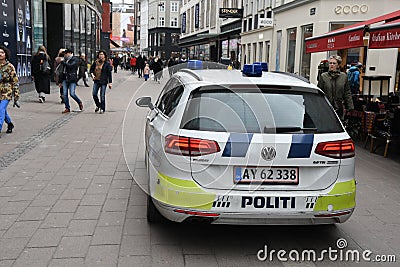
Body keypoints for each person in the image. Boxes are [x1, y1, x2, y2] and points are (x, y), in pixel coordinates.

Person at [0, 46, 20, 137]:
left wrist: (16, 96)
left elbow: (15, 81)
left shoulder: (9, 66)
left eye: (2, 52)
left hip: (6, 91)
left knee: (1, 109)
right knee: (3, 111)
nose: (0, 54)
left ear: (6, 54)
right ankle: (9, 123)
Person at [59, 48, 83, 113]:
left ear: (70, 53)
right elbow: (62, 71)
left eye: (66, 53)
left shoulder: (75, 59)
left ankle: (79, 102)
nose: (65, 55)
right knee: (64, 94)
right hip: (65, 79)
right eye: (65, 54)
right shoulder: (65, 60)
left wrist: (63, 62)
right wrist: (60, 81)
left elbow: (71, 66)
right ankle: (67, 108)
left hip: (72, 79)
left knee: (72, 93)